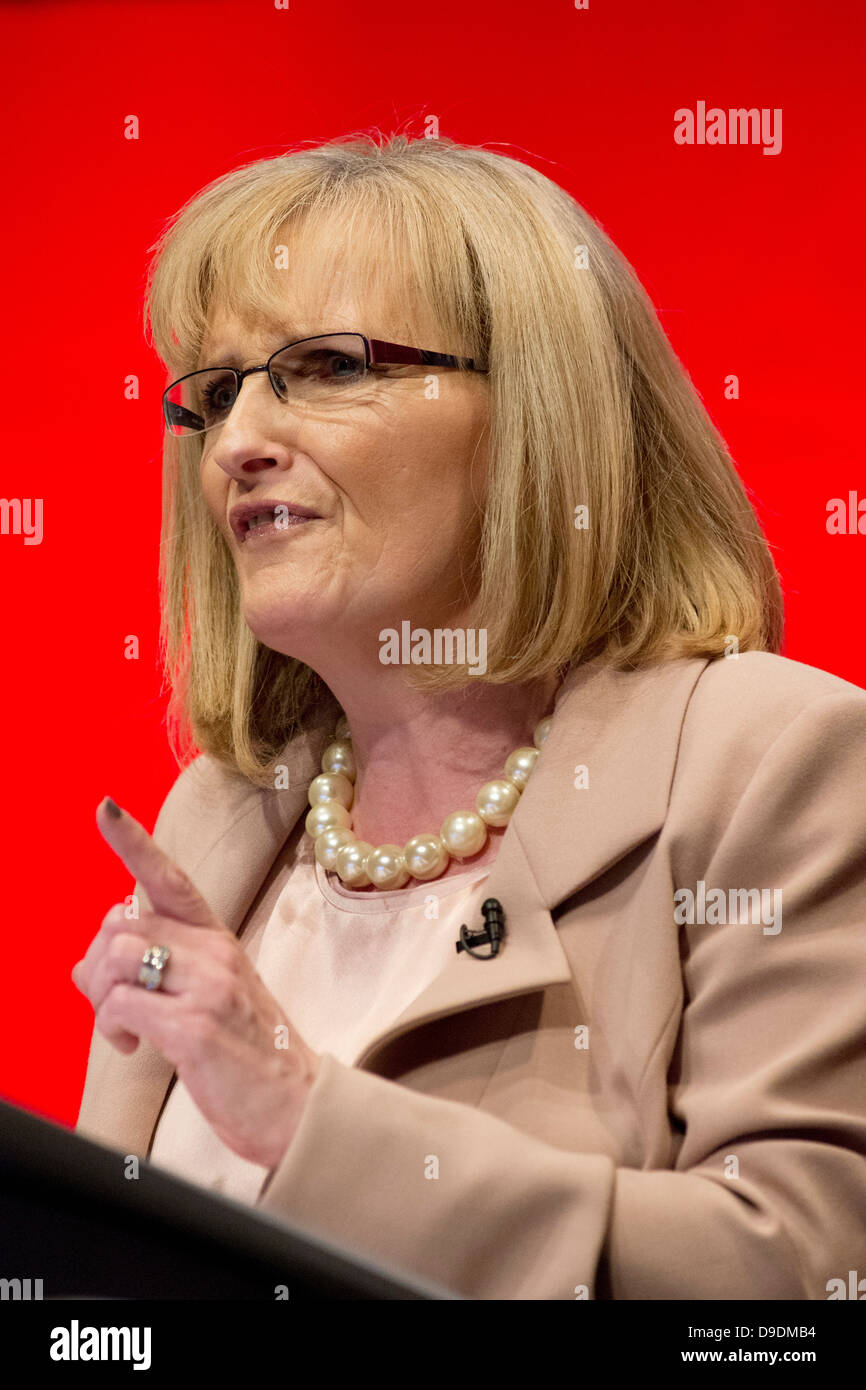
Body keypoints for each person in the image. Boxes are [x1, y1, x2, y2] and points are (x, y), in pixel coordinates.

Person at [73, 132, 866, 1300]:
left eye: (328, 367)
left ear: (541, 411)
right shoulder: (225, 819)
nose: (238, 442)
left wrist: (304, 1116)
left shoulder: (766, 762)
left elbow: (804, 1278)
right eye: (220, 390)